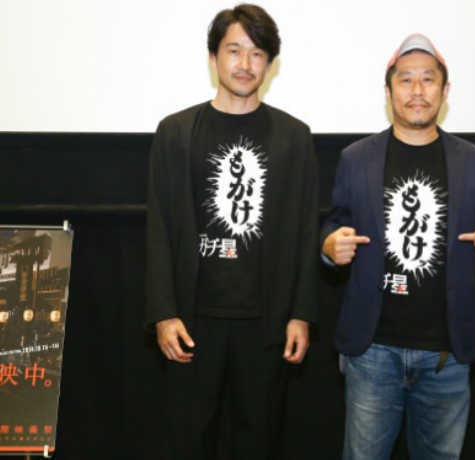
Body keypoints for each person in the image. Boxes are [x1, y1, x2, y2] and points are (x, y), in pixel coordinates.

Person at [320, 33, 475, 460]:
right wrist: (329, 244)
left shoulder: (474, 161)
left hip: (446, 356)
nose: (417, 90)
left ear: (445, 91)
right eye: (406, 80)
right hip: (372, 351)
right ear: (388, 90)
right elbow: (334, 222)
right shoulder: (356, 158)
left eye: (428, 80)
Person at [145, 5, 318, 459]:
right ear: (213, 57)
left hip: (266, 323)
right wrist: (163, 312)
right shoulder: (176, 132)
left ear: (270, 64)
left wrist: (300, 314)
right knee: (187, 441)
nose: (245, 64)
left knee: (258, 441)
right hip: (191, 320)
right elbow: (159, 227)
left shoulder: (294, 137)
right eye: (234, 50)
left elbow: (305, 232)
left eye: (257, 54)